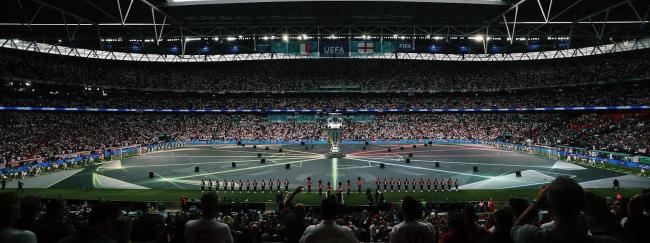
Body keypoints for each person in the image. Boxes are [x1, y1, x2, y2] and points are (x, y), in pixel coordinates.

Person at [511, 176, 622, 243]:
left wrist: (536, 202)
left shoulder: (531, 237)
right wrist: (598, 209)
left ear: (549, 208)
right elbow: (622, 237)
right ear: (581, 206)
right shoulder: (607, 241)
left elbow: (515, 229)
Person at [58, 201, 124, 243]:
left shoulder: (66, 240)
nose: (119, 223)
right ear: (109, 219)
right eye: (118, 219)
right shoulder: (109, 241)